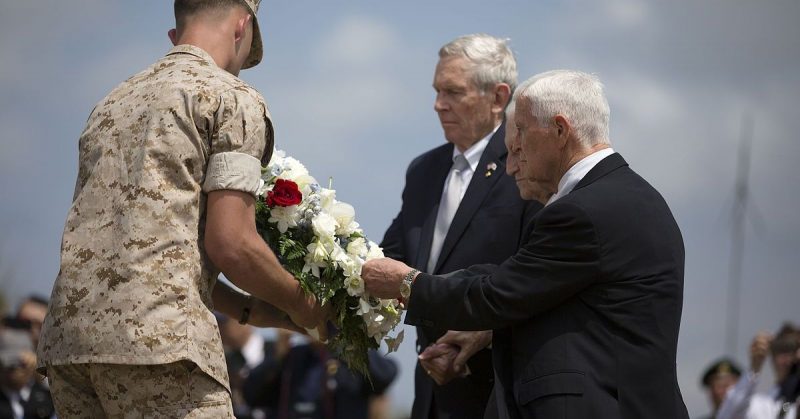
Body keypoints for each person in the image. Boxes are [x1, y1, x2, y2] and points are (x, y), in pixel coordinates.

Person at [36, 1, 328, 417]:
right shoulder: (231, 97)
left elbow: (142, 250)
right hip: (162, 347)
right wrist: (303, 303)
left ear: (175, 36)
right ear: (241, 27)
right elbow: (232, 244)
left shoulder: (111, 103)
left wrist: (250, 309)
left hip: (70, 346)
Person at [363, 69, 690, 418]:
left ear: (561, 131)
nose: (511, 158)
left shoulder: (583, 211)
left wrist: (408, 284)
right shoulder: (622, 196)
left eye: (519, 133)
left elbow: (498, 295)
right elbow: (519, 281)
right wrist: (486, 330)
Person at [379, 33, 541, 419]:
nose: (438, 104)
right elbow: (391, 256)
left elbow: (540, 275)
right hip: (432, 392)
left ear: (499, 98)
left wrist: (485, 335)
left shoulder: (529, 167)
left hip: (499, 391)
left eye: (452, 92)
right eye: (437, 91)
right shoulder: (423, 170)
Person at [243, 330, 399, 419]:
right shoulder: (291, 356)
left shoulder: (349, 355)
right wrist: (278, 355)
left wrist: (344, 341)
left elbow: (385, 376)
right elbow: (251, 394)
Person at [716, 324, 800, 418]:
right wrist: (755, 367)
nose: (792, 358)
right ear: (772, 355)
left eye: (794, 350)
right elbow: (728, 414)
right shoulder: (764, 404)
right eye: (783, 349)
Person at [0, 329, 55, 419]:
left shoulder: (45, 396)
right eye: (8, 364)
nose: (14, 368)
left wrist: (39, 370)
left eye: (21, 364)